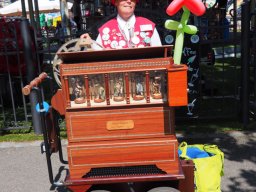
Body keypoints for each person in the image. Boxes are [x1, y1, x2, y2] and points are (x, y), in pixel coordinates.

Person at [80, 0, 162, 49]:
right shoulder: (106, 28)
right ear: (115, 2)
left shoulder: (148, 25)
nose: (129, 1)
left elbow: (160, 55)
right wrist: (90, 44)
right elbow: (99, 56)